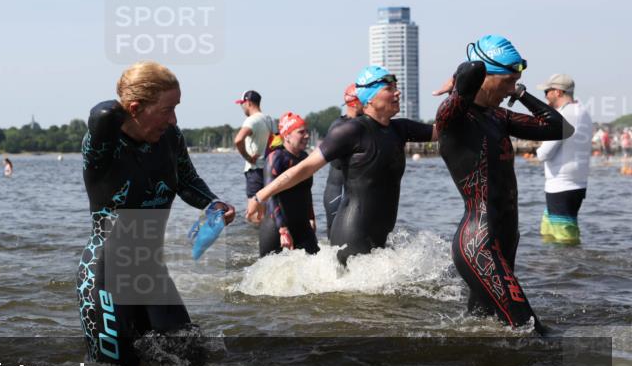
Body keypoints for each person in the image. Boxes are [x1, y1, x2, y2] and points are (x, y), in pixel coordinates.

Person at [79, 61, 235, 366]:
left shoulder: (171, 138)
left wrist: (213, 203)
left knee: (193, 364)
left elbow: (188, 181)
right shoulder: (102, 144)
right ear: (134, 108)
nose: (173, 119)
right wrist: (124, 104)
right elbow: (103, 113)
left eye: (176, 108)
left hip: (152, 272)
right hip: (108, 272)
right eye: (166, 109)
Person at [434, 35, 572, 335]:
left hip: (505, 237)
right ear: (485, 76)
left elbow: (560, 128)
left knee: (484, 328)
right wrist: (461, 79)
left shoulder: (498, 116)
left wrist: (521, 93)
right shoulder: (454, 116)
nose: (512, 88)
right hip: (479, 242)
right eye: (508, 81)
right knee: (532, 332)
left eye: (516, 82)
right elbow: (468, 70)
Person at [248, 66, 435, 264]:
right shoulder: (351, 131)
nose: (397, 92)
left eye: (396, 87)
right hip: (352, 233)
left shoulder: (401, 128)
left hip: (381, 233)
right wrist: (260, 196)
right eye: (389, 88)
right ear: (369, 97)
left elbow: (446, 131)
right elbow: (305, 168)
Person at [534, 74, 593, 244]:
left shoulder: (563, 115)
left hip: (561, 185)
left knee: (564, 239)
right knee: (550, 233)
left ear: (558, 92)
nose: (544, 96)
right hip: (575, 184)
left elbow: (544, 153)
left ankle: (570, 269)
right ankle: (557, 269)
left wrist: (538, 146)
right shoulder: (582, 111)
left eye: (547, 91)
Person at [259, 112, 319, 257]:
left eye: (307, 132)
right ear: (286, 135)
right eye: (301, 132)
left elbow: (307, 191)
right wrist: (282, 230)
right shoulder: (276, 158)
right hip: (276, 228)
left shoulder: (305, 158)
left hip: (303, 226)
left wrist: (311, 217)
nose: (306, 136)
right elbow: (271, 195)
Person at [323, 84, 363, 238]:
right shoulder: (340, 127)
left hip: (354, 196)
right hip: (337, 193)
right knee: (336, 244)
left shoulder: (362, 125)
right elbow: (337, 162)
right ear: (355, 102)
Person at [233, 90, 275, 199]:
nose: (241, 107)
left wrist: (248, 158)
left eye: (242, 104)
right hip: (270, 170)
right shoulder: (270, 120)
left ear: (248, 103)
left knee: (254, 211)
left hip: (255, 171)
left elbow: (238, 140)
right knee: (269, 209)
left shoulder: (251, 120)